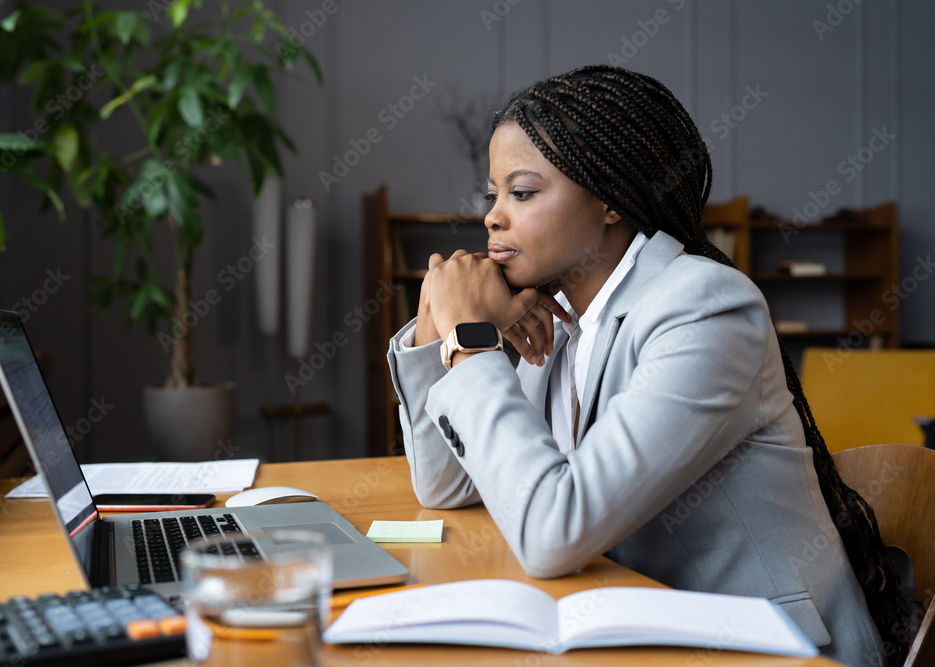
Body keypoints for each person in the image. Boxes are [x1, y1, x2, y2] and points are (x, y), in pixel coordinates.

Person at [386, 65, 912, 667]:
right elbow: (447, 487)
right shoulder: (559, 321)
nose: (492, 218)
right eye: (494, 195)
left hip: (770, 653)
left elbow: (553, 531)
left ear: (609, 197)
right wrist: (435, 320)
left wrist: (471, 341)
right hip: (640, 633)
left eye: (522, 193)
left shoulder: (705, 307)